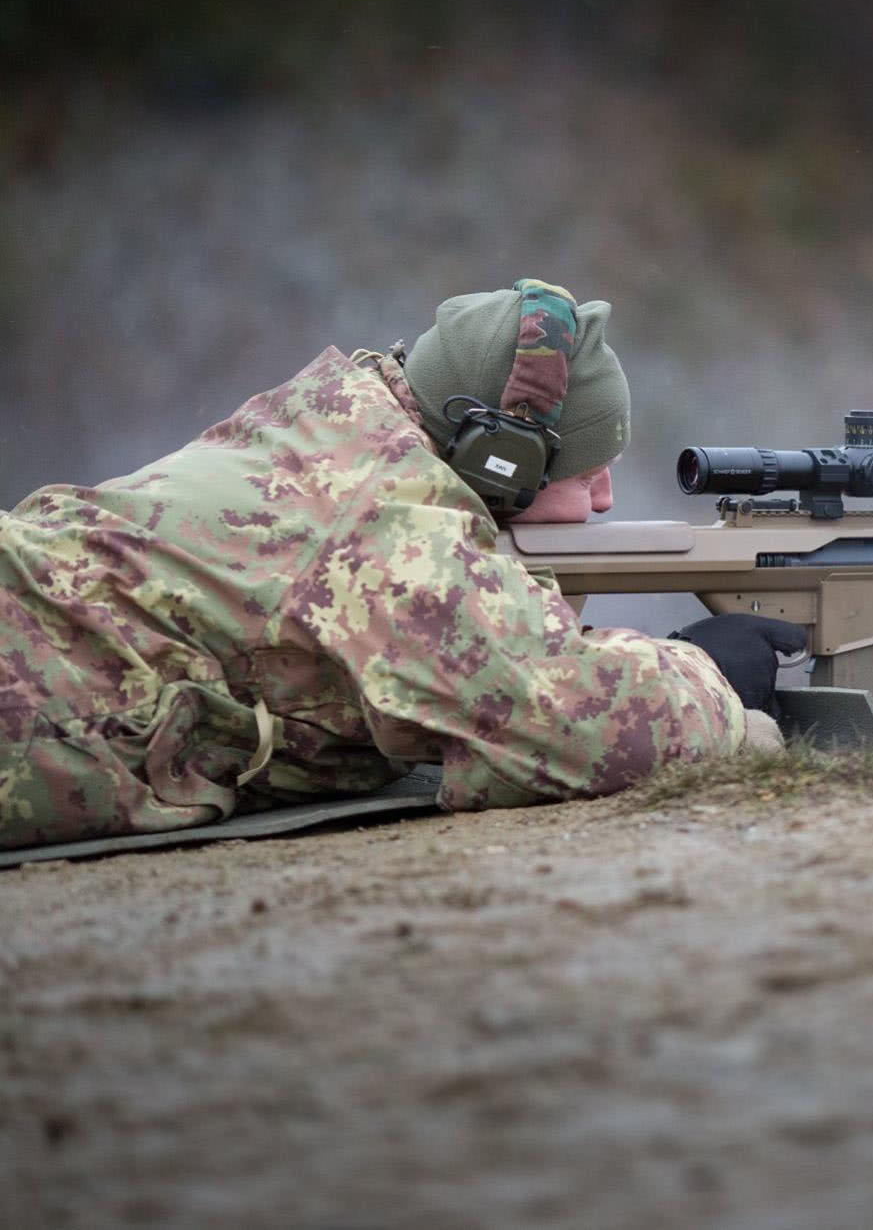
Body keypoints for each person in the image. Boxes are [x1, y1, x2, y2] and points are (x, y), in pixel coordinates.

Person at [0, 279, 801, 853]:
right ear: (502, 457)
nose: (602, 499)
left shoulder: (328, 427)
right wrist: (713, 681)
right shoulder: (386, 522)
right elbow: (582, 724)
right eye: (587, 469)